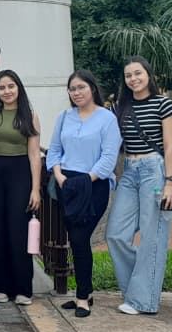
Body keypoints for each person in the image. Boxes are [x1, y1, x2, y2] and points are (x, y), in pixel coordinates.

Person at [106, 56, 172, 316]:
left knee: (152, 236)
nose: (133, 79)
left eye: (138, 73)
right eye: (128, 75)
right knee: (115, 234)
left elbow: (170, 146)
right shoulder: (120, 107)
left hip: (155, 171)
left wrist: (170, 182)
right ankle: (135, 292)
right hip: (129, 170)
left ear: (148, 74)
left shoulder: (164, 105)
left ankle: (144, 300)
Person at [46, 70, 121, 318]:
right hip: (65, 183)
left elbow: (109, 157)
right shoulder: (64, 117)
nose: (77, 93)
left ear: (92, 88)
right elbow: (54, 149)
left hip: (93, 184)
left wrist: (85, 180)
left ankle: (82, 297)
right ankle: (85, 292)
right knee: (74, 239)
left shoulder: (107, 118)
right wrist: (58, 174)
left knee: (79, 239)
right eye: (72, 89)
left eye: (81, 87)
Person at [0, 70, 42, 304]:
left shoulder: (30, 116)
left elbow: (35, 154)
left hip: (20, 173)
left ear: (18, 88)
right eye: (2, 88)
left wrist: (35, 189)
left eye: (11, 86)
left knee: (18, 229)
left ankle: (23, 289)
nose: (7, 91)